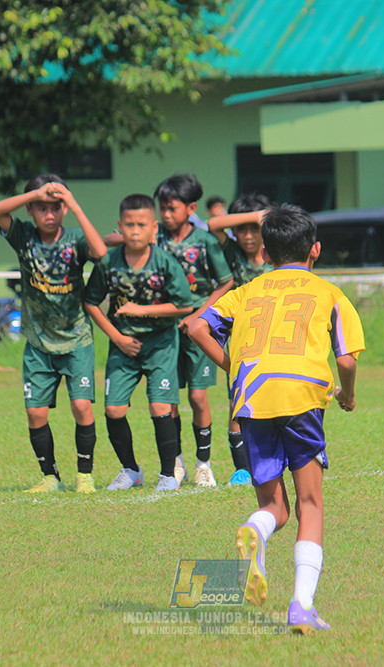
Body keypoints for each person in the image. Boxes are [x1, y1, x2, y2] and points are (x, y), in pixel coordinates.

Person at [187, 203, 366, 634]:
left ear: (265, 254)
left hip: (251, 400)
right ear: (316, 250)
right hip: (302, 398)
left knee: (274, 507)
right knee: (309, 504)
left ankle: (256, 531)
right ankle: (301, 606)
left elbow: (195, 327)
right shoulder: (329, 294)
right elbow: (345, 358)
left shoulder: (247, 291)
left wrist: (236, 368)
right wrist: (347, 396)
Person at [0, 174, 107, 494]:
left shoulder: (74, 240)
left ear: (64, 209)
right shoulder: (23, 236)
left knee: (82, 406)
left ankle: (85, 475)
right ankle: (50, 477)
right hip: (39, 342)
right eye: (40, 208)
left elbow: (99, 252)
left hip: (77, 339)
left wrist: (76, 206)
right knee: (35, 412)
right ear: (30, 210)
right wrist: (35, 193)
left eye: (55, 207)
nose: (49, 214)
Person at [83, 194, 195, 492]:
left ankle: (169, 475)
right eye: (129, 224)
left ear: (154, 228)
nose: (135, 230)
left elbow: (184, 305)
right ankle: (131, 470)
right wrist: (117, 337)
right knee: (113, 410)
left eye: (141, 224)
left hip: (160, 345)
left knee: (160, 407)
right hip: (124, 346)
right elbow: (91, 302)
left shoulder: (165, 262)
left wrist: (142, 310)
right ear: (119, 227)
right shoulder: (108, 263)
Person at [153, 173, 233, 488]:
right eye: (162, 208)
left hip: (198, 330)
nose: (166, 214)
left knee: (199, 397)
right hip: (164, 330)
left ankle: (203, 464)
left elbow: (225, 282)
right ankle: (176, 463)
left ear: (191, 208)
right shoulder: (153, 239)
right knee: (168, 398)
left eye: (172, 208)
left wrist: (199, 315)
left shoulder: (205, 241)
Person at [206, 193, 274, 486]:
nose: (248, 236)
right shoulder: (231, 253)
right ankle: (242, 469)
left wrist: (265, 218)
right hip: (241, 337)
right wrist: (253, 216)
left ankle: (273, 458)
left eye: (255, 229)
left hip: (274, 335)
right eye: (242, 229)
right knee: (239, 400)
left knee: (273, 397)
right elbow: (213, 225)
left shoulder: (276, 253)